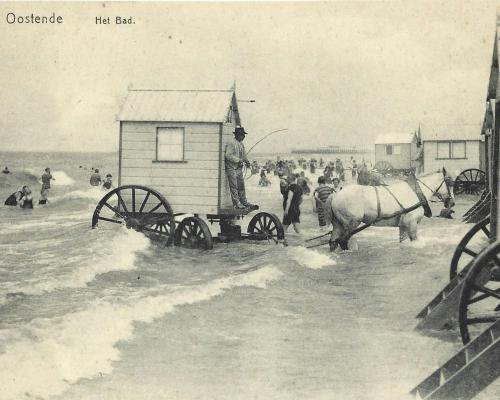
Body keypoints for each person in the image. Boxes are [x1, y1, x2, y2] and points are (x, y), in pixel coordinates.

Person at [224, 126, 256, 210]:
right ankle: (237, 203)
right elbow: (228, 155)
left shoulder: (241, 144)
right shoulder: (231, 143)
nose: (244, 137)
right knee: (234, 187)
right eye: (242, 135)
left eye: (244, 135)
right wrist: (238, 160)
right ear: (238, 135)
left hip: (238, 169)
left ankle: (244, 202)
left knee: (241, 186)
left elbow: (243, 155)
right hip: (231, 168)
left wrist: (247, 161)